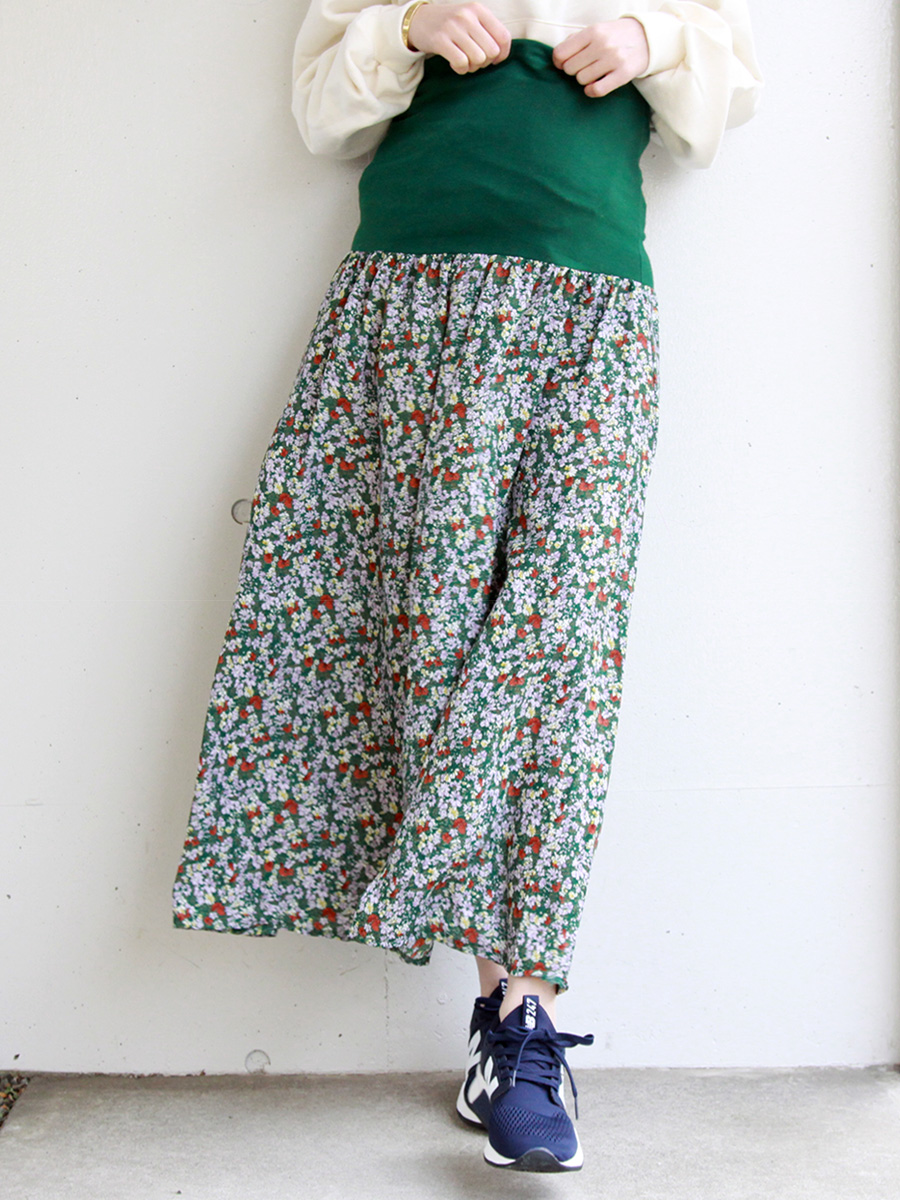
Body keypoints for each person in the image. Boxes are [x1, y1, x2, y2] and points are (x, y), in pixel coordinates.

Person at [171, 0, 763, 1173]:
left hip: (592, 321)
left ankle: (521, 1010)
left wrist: (652, 41)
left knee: (559, 653)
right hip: (414, 312)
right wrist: (407, 26)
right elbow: (323, 113)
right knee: (428, 643)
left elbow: (726, 97)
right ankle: (513, 1022)